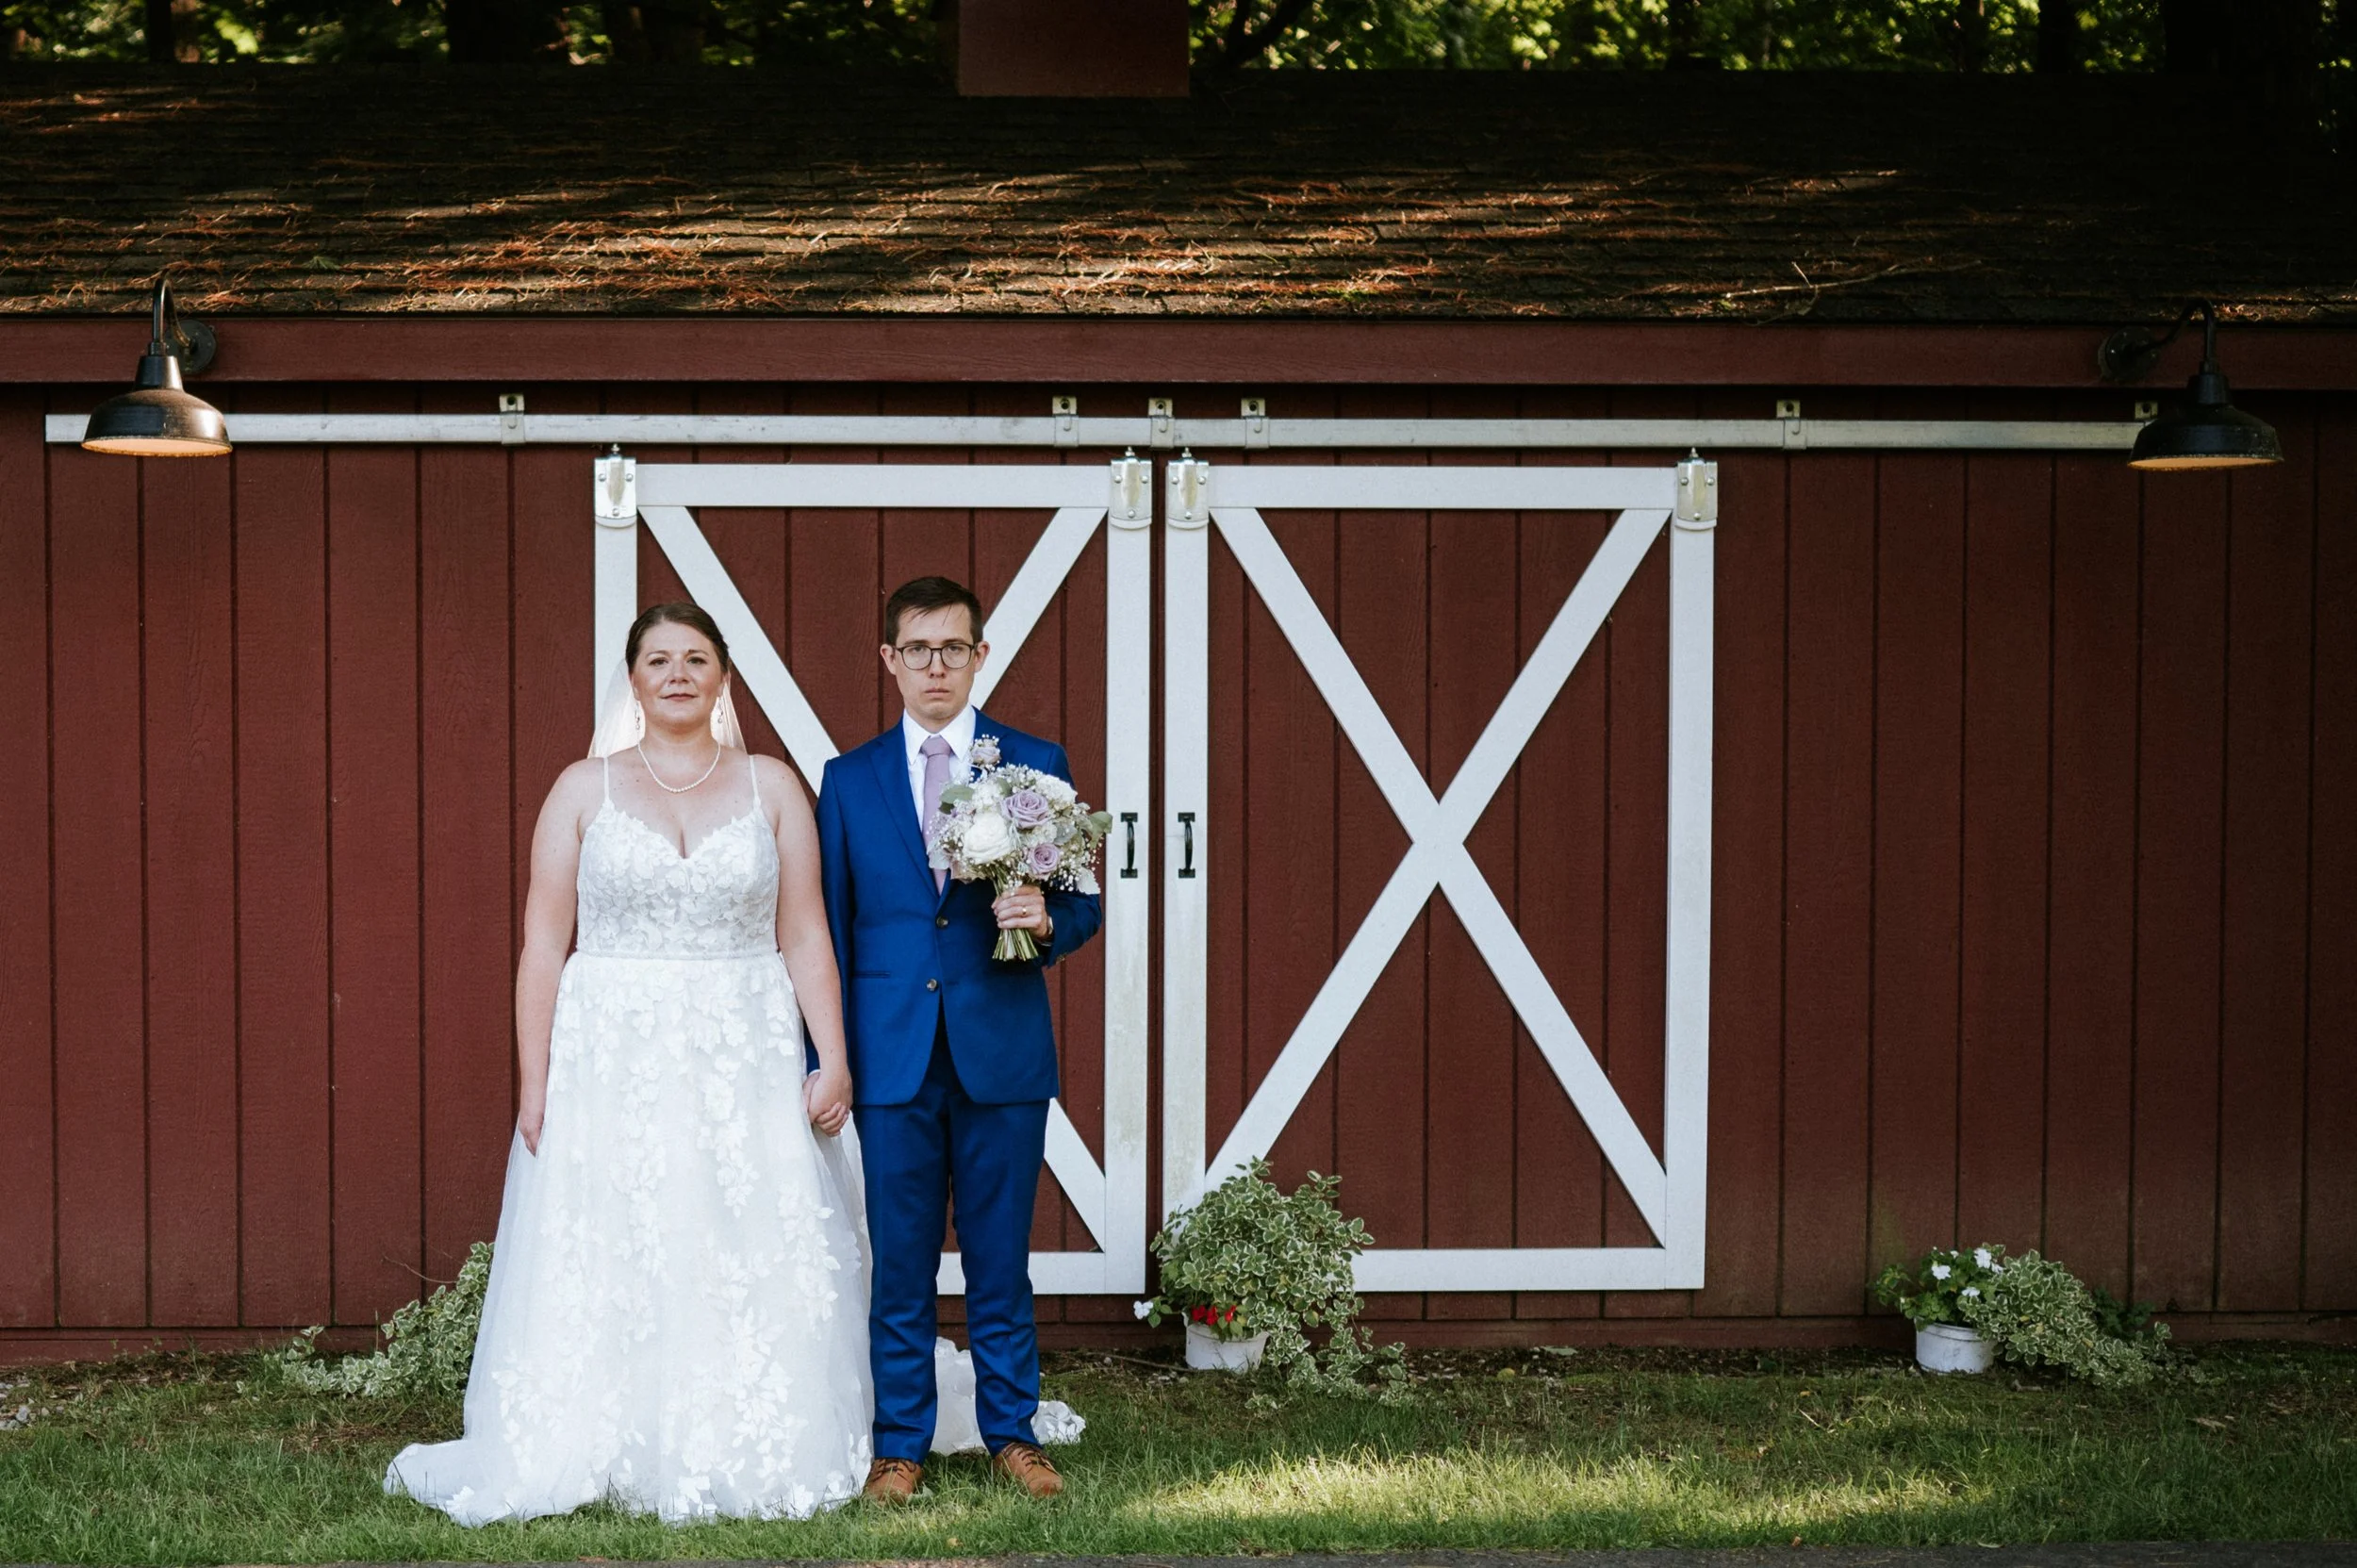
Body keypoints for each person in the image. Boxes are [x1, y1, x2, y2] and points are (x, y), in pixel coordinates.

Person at [385, 602, 872, 1526]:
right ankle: (606, 1429)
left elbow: (806, 929)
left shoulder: (772, 787)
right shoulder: (583, 789)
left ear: (724, 676)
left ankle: (743, 1433)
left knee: (734, 1234)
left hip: (741, 1041)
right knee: (623, 1231)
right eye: (659, 659)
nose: (678, 672)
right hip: (614, 1051)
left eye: (696, 658)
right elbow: (541, 943)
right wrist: (534, 1080)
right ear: (633, 678)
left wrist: (832, 1056)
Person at [816, 575, 1102, 1504]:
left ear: (980, 656)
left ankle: (1010, 1434)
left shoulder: (1034, 761)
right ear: (888, 659)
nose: (935, 665)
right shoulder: (847, 781)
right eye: (917, 648)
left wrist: (1048, 917)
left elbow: (1083, 901)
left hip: (1000, 1048)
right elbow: (828, 925)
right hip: (892, 1053)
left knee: (997, 1259)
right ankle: (898, 1444)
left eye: (953, 648)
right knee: (898, 1264)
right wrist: (829, 1057)